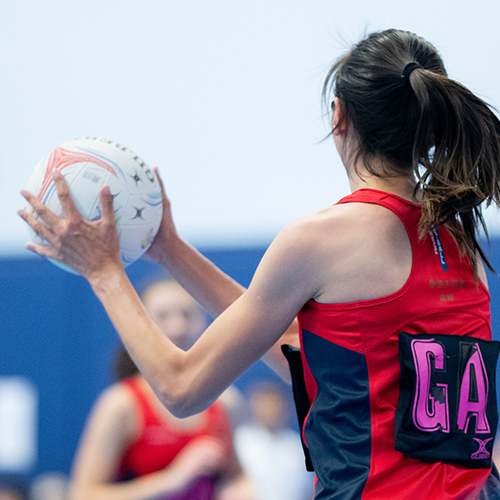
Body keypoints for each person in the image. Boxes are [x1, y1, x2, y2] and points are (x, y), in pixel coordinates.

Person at [19, 28, 500, 499]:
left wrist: (104, 272)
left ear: (339, 117)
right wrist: (170, 250)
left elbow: (181, 387)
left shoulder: (321, 239)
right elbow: (296, 342)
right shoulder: (459, 243)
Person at [68, 279, 254, 500]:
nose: (178, 327)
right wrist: (171, 481)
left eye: (186, 315)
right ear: (138, 326)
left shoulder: (226, 402)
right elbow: (82, 495)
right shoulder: (121, 404)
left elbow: (236, 476)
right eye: (163, 316)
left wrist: (242, 489)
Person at [234, 381, 314, 500]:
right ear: (253, 405)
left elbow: (307, 491)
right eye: (264, 404)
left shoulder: (297, 447)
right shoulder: (240, 440)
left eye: (274, 404)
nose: (270, 410)